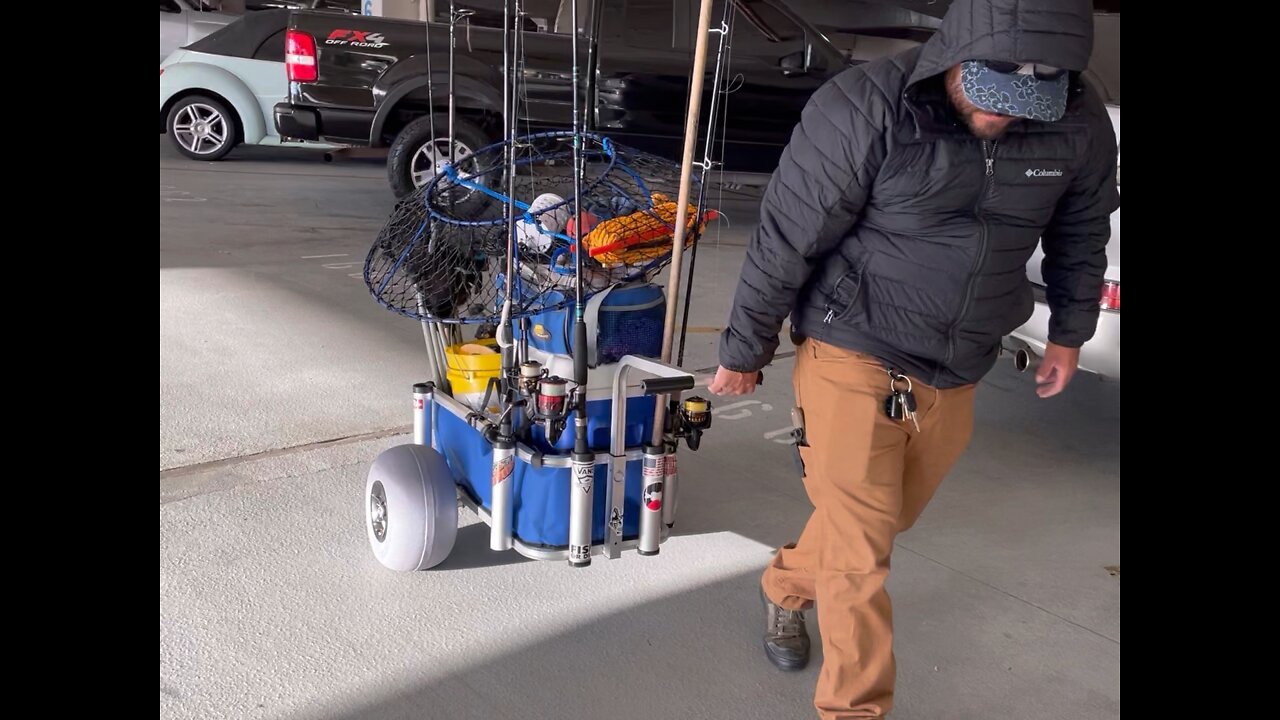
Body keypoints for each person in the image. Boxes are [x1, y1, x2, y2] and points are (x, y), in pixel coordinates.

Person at [706, 0, 1119, 717]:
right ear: (954, 58)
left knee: (884, 519)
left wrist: (1068, 333)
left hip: (959, 360)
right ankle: (855, 709)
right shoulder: (866, 107)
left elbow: (1083, 229)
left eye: (1030, 104)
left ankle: (785, 583)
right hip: (854, 345)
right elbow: (787, 233)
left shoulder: (1078, 121)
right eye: (993, 99)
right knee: (862, 557)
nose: (1006, 119)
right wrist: (747, 346)